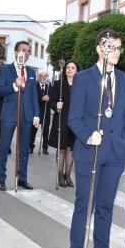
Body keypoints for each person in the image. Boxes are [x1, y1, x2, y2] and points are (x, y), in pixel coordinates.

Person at [66, 30, 125, 248]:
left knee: (106, 205)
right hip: (89, 151)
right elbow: (73, 117)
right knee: (84, 204)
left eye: (118, 48)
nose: (116, 52)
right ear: (100, 49)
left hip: (116, 153)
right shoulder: (84, 78)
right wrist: (87, 136)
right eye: (112, 47)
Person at [0, 41, 40, 191]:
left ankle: (23, 178)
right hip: (9, 114)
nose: (26, 53)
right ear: (15, 52)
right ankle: (1, 178)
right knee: (4, 147)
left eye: (28, 51)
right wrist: (14, 86)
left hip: (27, 115)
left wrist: (36, 115)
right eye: (23, 50)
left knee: (24, 149)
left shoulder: (32, 72)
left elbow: (34, 96)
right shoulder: (5, 70)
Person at [49, 60, 80, 188]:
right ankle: (60, 175)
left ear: (77, 70)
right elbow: (51, 100)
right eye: (68, 67)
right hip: (61, 120)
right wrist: (56, 105)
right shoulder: (58, 84)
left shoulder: (81, 84)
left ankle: (68, 175)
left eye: (73, 67)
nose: (70, 69)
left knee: (70, 149)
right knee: (61, 148)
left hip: (75, 121)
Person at [31, 71, 51, 155]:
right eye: (41, 76)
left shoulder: (49, 87)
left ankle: (45, 148)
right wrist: (42, 98)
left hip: (46, 113)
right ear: (38, 77)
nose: (43, 77)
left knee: (46, 132)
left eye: (45, 76)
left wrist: (49, 99)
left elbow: (52, 98)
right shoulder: (34, 86)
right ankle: (30, 147)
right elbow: (32, 98)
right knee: (33, 130)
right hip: (37, 112)